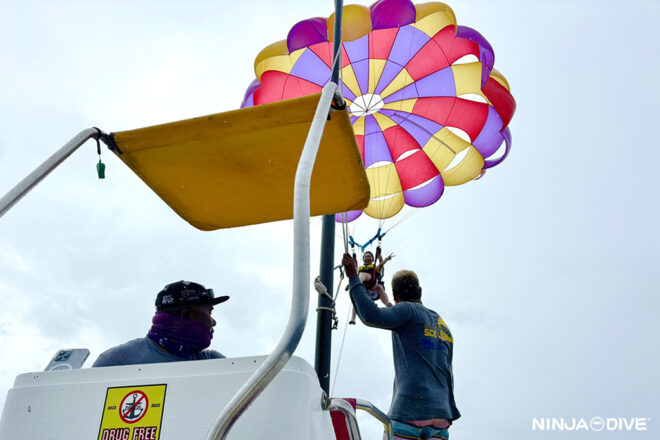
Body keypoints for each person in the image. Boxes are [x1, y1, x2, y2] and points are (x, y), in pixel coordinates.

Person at [342, 254, 460, 440]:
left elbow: (371, 315)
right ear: (420, 291)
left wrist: (353, 278)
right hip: (442, 416)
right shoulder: (442, 323)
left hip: (410, 412)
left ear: (396, 296)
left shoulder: (407, 310)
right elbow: (448, 369)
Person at [92, 280, 228, 367]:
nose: (214, 322)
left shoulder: (214, 362)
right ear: (186, 315)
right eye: (209, 312)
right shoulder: (115, 362)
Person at [349, 250, 394, 325]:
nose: (367, 257)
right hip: (365, 292)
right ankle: (352, 319)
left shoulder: (375, 268)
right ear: (364, 259)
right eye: (366, 256)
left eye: (369, 256)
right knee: (356, 297)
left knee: (379, 286)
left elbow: (381, 264)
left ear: (372, 259)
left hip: (374, 289)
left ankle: (388, 304)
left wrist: (386, 259)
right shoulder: (360, 269)